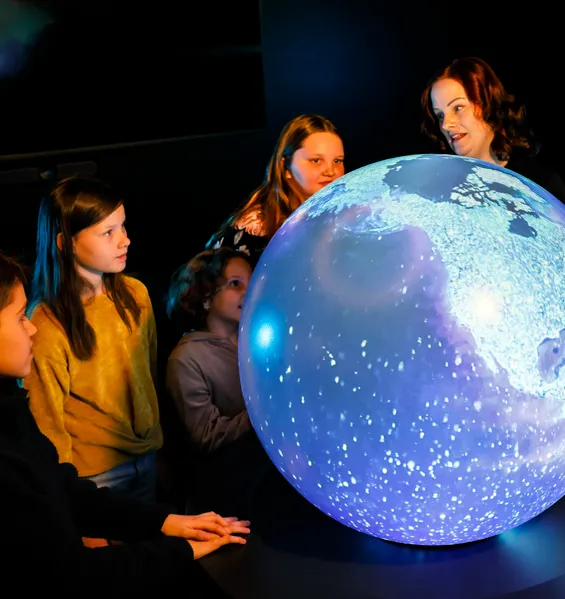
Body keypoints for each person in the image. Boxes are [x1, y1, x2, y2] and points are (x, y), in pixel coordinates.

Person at [0, 250, 249, 596]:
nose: (31, 327)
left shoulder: (12, 412)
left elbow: (63, 489)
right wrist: (181, 550)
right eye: (18, 317)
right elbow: (70, 571)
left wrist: (165, 521)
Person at [24, 176, 163, 504]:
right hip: (93, 476)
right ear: (65, 242)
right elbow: (46, 420)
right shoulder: (46, 323)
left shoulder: (136, 294)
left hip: (146, 456)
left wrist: (158, 446)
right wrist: (66, 490)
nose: (125, 240)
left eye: (123, 226)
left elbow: (150, 374)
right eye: (108, 232)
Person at [166, 247, 271, 516]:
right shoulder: (187, 358)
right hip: (227, 497)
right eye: (235, 284)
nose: (249, 292)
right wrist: (265, 412)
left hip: (271, 484)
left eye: (252, 283)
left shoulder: (258, 339)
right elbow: (206, 435)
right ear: (205, 295)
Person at [421, 56, 565, 208]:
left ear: (488, 104)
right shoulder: (438, 188)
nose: (446, 125)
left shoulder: (540, 187)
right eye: (440, 115)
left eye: (458, 108)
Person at [207, 114, 346, 262]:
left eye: (337, 161)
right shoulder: (255, 230)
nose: (331, 171)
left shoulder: (341, 213)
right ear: (286, 167)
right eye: (316, 160)